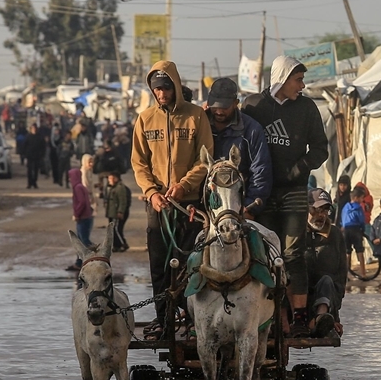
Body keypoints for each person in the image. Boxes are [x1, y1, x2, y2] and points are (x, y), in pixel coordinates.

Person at [243, 55, 329, 336]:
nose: (302, 86)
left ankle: (300, 319)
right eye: (298, 80)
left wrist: (298, 169)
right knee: (266, 253)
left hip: (294, 191)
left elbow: (320, 149)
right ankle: (272, 319)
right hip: (262, 192)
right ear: (282, 79)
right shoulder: (254, 105)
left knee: (293, 254)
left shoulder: (307, 108)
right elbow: (240, 139)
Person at [131, 61, 215, 340]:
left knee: (192, 264)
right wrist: (152, 193)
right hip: (158, 205)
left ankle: (191, 321)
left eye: (166, 88)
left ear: (176, 86)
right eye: (157, 89)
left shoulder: (196, 116)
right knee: (159, 265)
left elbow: (204, 160)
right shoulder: (144, 119)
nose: (162, 94)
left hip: (189, 204)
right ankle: (163, 320)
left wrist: (183, 186)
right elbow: (139, 163)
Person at [204, 77, 272, 213]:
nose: (219, 111)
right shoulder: (199, 124)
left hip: (240, 205)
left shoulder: (251, 130)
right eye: (215, 106)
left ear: (236, 103)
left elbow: (260, 171)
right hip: (205, 204)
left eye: (224, 107)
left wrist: (250, 208)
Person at [303, 188, 347, 337]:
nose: (322, 215)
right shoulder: (296, 234)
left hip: (326, 299)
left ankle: (321, 318)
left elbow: (341, 277)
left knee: (327, 281)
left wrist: (334, 314)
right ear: (307, 209)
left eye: (325, 210)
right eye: (317, 210)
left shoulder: (335, 235)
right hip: (300, 299)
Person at [68, 164, 95, 271]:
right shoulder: (81, 187)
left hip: (83, 218)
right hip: (86, 217)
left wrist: (77, 214)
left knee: (83, 242)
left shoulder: (78, 188)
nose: (69, 179)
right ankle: (79, 263)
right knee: (81, 241)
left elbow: (82, 202)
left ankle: (95, 258)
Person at [341, 185, 368, 279]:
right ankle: (363, 273)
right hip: (356, 230)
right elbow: (361, 220)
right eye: (361, 198)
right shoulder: (358, 207)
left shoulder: (345, 207)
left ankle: (346, 274)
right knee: (360, 251)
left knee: (347, 252)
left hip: (346, 230)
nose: (362, 200)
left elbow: (343, 218)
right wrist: (363, 229)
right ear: (356, 198)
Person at [104, 172, 131, 252]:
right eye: (109, 178)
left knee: (117, 229)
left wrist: (120, 212)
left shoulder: (120, 188)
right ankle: (116, 245)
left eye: (113, 178)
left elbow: (123, 201)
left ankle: (123, 244)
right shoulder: (109, 187)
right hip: (111, 212)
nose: (111, 180)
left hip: (117, 213)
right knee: (112, 229)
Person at [24, 123, 47, 189]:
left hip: (37, 156)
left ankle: (34, 182)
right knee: (29, 170)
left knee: (36, 170)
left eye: (35, 128)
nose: (34, 130)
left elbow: (43, 146)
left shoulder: (40, 137)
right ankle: (29, 183)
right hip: (30, 156)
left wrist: (42, 154)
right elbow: (25, 146)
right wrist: (25, 154)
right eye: (33, 128)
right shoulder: (28, 136)